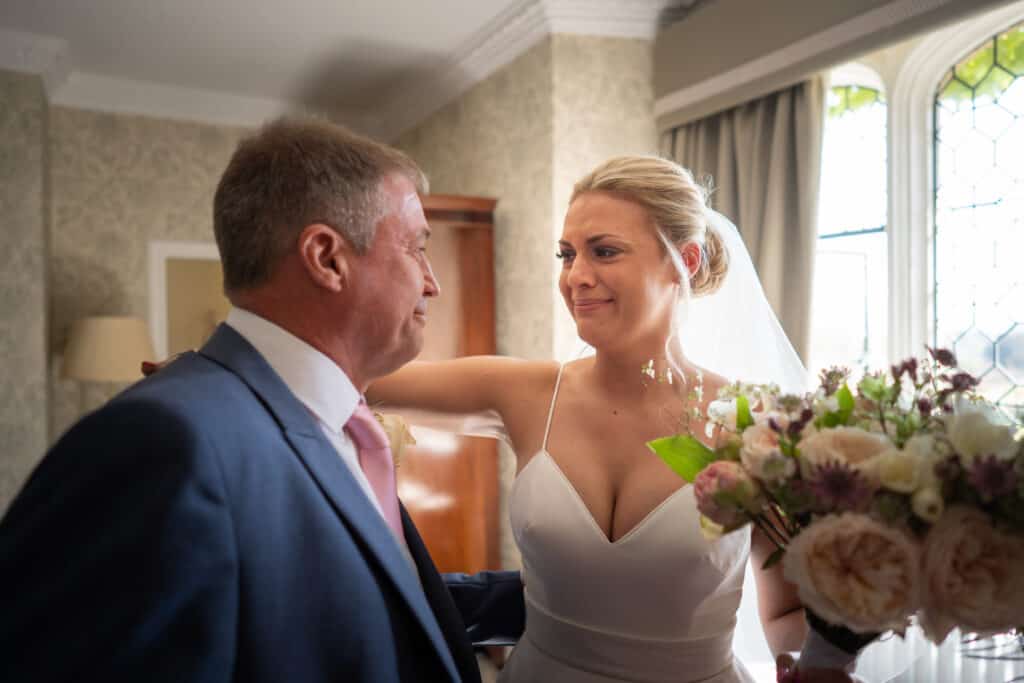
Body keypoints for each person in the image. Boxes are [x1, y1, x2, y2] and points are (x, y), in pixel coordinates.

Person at [0, 117, 524, 683]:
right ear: (326, 258)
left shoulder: (341, 427)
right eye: (417, 248)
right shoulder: (166, 441)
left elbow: (358, 604)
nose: (432, 282)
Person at [368, 156, 855, 683]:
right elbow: (350, 374)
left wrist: (815, 665)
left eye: (604, 251)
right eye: (566, 254)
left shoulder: (754, 423)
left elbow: (784, 612)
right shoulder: (525, 393)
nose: (576, 276)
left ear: (684, 261)